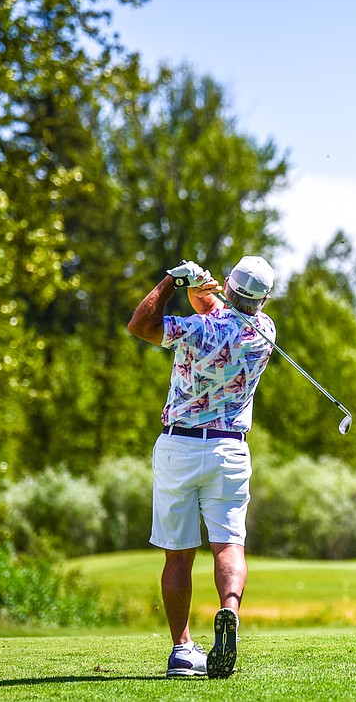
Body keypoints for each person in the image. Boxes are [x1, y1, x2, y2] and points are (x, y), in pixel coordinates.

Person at [127, 255, 276, 679]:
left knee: (178, 557)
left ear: (229, 286)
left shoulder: (196, 329)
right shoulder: (265, 331)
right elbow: (219, 310)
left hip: (180, 446)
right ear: (264, 299)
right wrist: (203, 286)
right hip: (229, 451)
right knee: (229, 544)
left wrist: (173, 280)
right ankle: (229, 609)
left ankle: (181, 650)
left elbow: (141, 325)